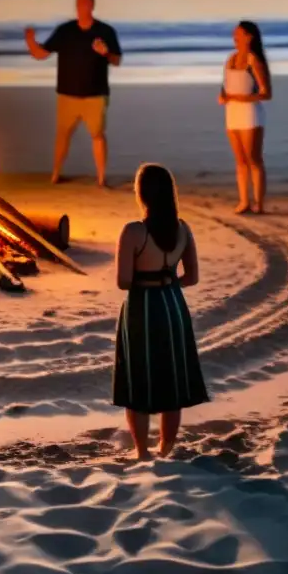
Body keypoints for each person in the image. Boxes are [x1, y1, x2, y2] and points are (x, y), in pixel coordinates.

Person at [113, 164, 208, 460]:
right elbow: (192, 277)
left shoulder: (134, 231)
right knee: (172, 379)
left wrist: (150, 283)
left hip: (142, 307)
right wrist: (168, 283)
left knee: (137, 380)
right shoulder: (182, 229)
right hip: (173, 304)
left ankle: (141, 452)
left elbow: (123, 281)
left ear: (142, 194)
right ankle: (166, 448)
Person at [25, 0, 122, 187]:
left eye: (85, 4)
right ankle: (55, 174)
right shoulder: (65, 31)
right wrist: (30, 41)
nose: (82, 7)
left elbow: (116, 60)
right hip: (67, 95)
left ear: (92, 6)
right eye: (79, 4)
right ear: (76, 6)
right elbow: (42, 54)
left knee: (97, 135)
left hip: (95, 95)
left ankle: (101, 179)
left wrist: (105, 53)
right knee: (62, 135)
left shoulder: (105, 31)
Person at [219, 21, 273, 214]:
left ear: (249, 37)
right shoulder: (231, 59)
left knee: (254, 159)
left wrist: (243, 97)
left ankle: (259, 202)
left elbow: (266, 93)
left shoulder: (253, 60)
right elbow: (225, 84)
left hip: (250, 112)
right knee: (240, 160)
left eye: (239, 34)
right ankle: (244, 201)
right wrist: (223, 95)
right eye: (234, 34)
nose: (235, 37)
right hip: (232, 112)